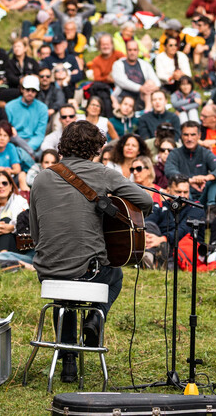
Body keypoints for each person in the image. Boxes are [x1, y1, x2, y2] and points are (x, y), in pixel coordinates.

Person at [28, 121, 153, 383]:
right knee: (115, 275)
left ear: (63, 145)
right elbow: (146, 201)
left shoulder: (40, 178)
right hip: (88, 273)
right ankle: (96, 318)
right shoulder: (103, 173)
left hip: (47, 272)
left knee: (64, 298)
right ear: (96, 147)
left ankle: (68, 364)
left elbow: (36, 233)